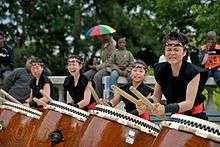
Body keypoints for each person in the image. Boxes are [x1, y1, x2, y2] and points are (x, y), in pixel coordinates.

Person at [150, 31, 208, 120]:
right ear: (164, 52)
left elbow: (188, 103)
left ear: (184, 52)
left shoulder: (192, 72)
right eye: (169, 49)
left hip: (196, 118)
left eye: (176, 50)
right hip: (175, 115)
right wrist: (146, 102)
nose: (172, 53)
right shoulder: (161, 71)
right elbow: (156, 97)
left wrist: (165, 109)